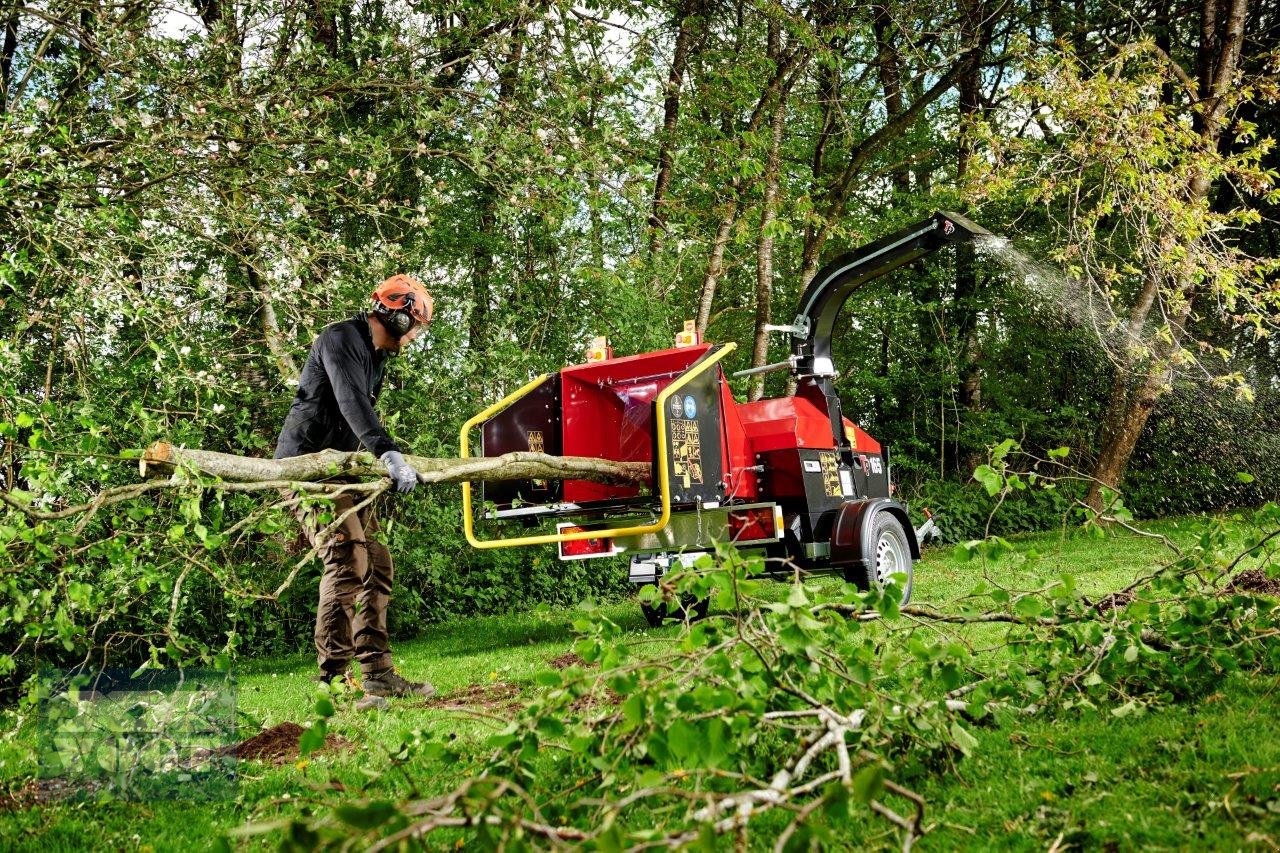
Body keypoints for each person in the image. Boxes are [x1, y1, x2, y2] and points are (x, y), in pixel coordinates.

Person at [273, 274, 436, 699]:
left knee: (377, 561)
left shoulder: (375, 356)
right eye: (416, 325)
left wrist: (374, 461)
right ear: (399, 317)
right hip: (305, 466)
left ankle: (378, 674)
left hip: (342, 469)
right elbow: (351, 403)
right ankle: (332, 680)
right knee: (347, 557)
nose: (416, 336)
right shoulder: (340, 338)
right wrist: (388, 452)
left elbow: (353, 415)